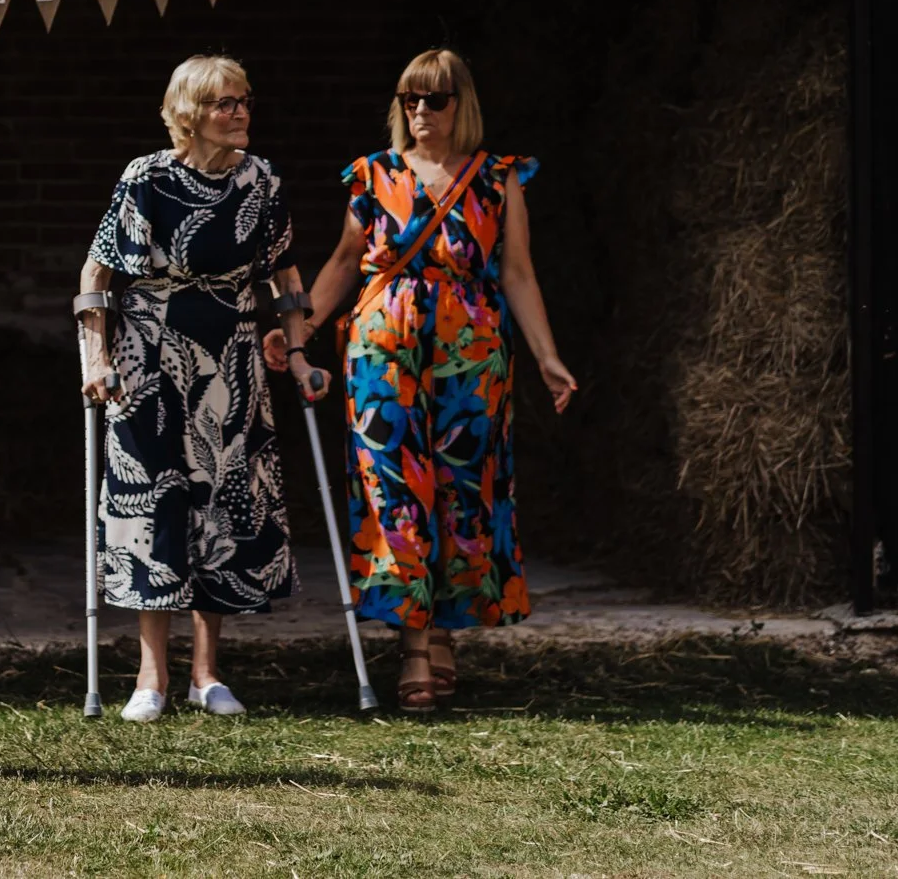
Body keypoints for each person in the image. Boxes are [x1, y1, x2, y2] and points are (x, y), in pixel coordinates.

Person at [267, 48, 578, 712]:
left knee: (465, 488)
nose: (420, 110)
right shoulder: (373, 174)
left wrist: (548, 355)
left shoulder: (499, 178)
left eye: (435, 98)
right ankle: (415, 644)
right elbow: (345, 261)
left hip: (472, 351)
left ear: (461, 104)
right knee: (395, 490)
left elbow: (517, 272)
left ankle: (445, 630)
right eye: (410, 98)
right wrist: (299, 331)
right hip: (384, 350)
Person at [78, 55, 325, 724]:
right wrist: (95, 357)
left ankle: (206, 672)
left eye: (244, 100)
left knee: (224, 506)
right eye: (224, 102)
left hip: (233, 355)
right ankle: (150, 676)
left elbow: (285, 271)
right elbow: (98, 273)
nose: (239, 112)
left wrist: (298, 352)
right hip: (150, 356)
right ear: (190, 112)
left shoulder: (261, 181)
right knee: (155, 505)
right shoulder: (147, 178)